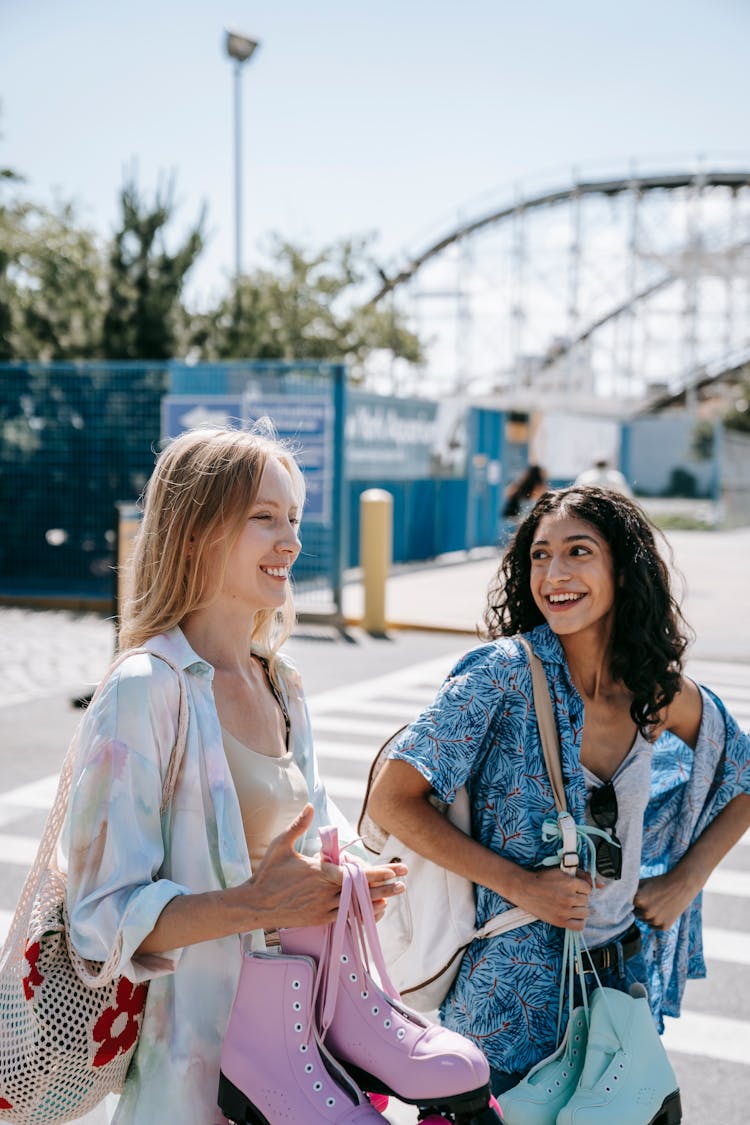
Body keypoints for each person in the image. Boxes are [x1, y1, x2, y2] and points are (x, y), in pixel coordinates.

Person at [62, 425, 406, 1124]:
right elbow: (97, 920)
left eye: (294, 519)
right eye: (265, 518)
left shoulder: (282, 683)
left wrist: (355, 880)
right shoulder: (143, 690)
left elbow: (312, 834)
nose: (291, 542)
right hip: (191, 1078)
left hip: (304, 1057)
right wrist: (257, 904)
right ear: (195, 533)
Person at [367, 484, 750, 1097]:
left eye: (578, 552)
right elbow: (392, 801)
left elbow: (742, 772)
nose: (554, 573)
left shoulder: (653, 690)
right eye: (540, 556)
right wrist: (521, 884)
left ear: (623, 571)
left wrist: (687, 879)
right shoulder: (500, 675)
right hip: (508, 994)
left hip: (619, 981)